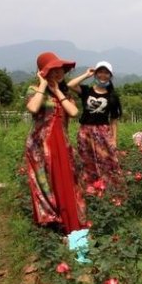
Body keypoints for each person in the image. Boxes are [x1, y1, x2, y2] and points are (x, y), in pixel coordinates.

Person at [23, 52, 86, 235]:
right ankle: (54, 225)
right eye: (53, 70)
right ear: (44, 71)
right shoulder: (33, 90)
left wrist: (58, 90)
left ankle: (70, 227)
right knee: (47, 185)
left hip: (62, 145)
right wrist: (43, 84)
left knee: (67, 184)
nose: (59, 73)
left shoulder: (64, 93)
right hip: (41, 147)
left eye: (60, 70)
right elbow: (33, 108)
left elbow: (73, 112)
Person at [67, 60, 122, 188]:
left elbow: (114, 120)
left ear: (110, 76)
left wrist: (114, 139)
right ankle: (90, 189)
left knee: (107, 160)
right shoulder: (86, 91)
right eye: (100, 72)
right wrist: (86, 75)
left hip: (103, 131)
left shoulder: (112, 96)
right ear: (96, 74)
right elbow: (70, 84)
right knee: (86, 160)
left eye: (106, 73)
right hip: (85, 131)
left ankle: (110, 188)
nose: (103, 75)